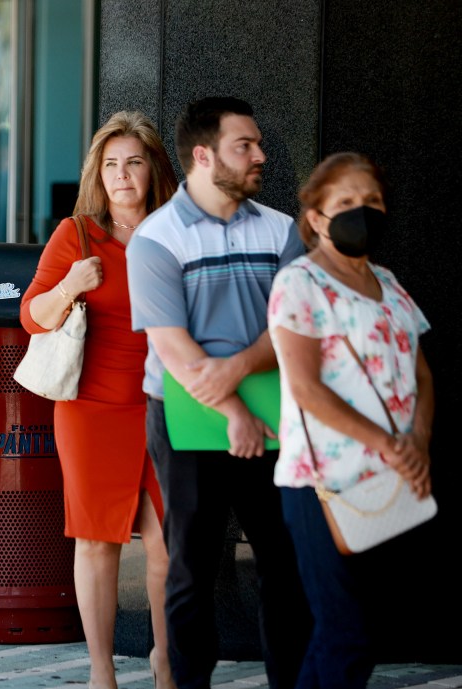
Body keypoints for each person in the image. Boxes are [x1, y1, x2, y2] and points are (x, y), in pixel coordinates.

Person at [126, 96, 312, 689]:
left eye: (258, 144)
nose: (260, 156)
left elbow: (293, 325)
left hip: (274, 412)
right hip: (183, 417)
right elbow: (173, 348)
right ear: (203, 156)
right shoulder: (155, 238)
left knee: (285, 563)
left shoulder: (282, 230)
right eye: (245, 145)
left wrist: (233, 375)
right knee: (191, 567)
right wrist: (233, 408)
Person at [20, 111, 177, 689]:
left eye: (133, 162)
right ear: (97, 173)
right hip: (91, 409)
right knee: (96, 540)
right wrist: (69, 286)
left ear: (153, 168)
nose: (122, 174)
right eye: (111, 164)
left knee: (167, 543)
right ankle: (101, 672)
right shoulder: (77, 234)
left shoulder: (179, 231)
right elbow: (31, 316)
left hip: (167, 404)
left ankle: (166, 660)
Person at [267, 153, 433, 688]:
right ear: (316, 217)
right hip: (322, 483)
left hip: (391, 476)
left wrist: (417, 441)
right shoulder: (300, 282)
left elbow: (420, 373)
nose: (362, 211)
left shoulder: (388, 281)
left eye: (373, 201)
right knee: (347, 633)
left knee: (356, 634)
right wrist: (389, 443)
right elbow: (306, 387)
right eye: (345, 202)